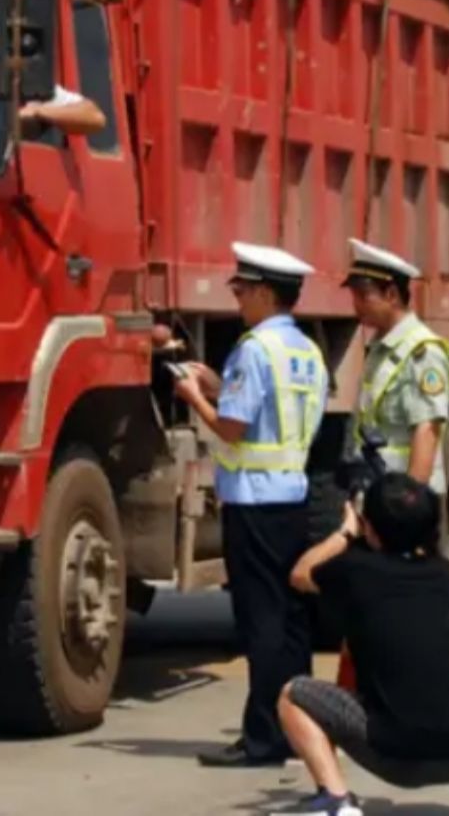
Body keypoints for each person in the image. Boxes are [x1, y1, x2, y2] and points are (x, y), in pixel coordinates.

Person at [176, 242, 326, 768]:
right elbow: (271, 412)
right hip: (291, 498)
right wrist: (220, 386)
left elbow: (233, 429)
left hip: (254, 503)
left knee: (260, 624)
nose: (237, 299)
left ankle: (264, 739)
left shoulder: (253, 350)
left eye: (242, 290)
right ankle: (301, 727)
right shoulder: (305, 350)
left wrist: (196, 397)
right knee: (291, 623)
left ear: (265, 292)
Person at [279, 474, 449, 816]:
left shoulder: (355, 571)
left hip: (396, 757)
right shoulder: (444, 575)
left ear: (370, 528)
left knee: (293, 695)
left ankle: (335, 797)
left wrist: (345, 532)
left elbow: (301, 573)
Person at [345, 238, 449, 488]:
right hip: (378, 491)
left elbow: (427, 429)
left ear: (391, 294)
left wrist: (411, 502)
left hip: (403, 501)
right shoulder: (380, 347)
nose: (356, 305)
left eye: (363, 296)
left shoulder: (422, 351)